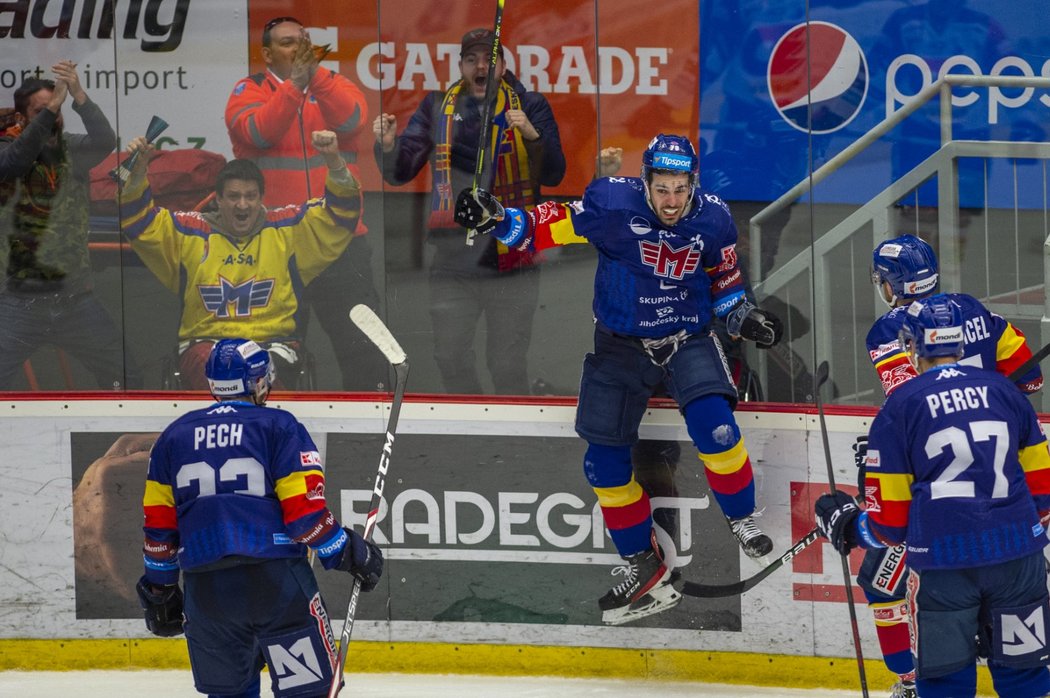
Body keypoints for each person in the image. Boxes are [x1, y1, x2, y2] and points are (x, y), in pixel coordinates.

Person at [454, 133, 784, 625]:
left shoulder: (713, 219)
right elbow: (543, 229)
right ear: (645, 182)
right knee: (603, 467)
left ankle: (741, 518)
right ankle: (643, 563)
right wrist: (497, 218)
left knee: (717, 429)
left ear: (693, 184)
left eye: (680, 189)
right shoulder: (610, 205)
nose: (671, 202)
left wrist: (744, 319)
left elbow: (726, 288)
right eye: (662, 189)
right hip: (619, 346)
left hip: (687, 340)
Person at [815, 294, 1050, 698]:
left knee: (945, 683)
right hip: (1019, 561)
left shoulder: (900, 407)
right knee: (1026, 680)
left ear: (912, 346)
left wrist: (852, 527)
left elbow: (890, 527)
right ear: (960, 344)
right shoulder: (1006, 393)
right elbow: (1043, 498)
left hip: (945, 567)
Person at [136, 338, 383, 697]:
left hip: (207, 594)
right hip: (276, 585)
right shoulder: (278, 426)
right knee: (308, 693)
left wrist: (160, 587)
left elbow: (159, 530)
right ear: (256, 381)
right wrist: (350, 554)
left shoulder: (173, 437)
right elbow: (305, 517)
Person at [372, 27, 566, 395]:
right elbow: (399, 172)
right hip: (453, 258)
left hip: (512, 256)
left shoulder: (530, 105)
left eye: (490, 59)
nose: (481, 66)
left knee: (506, 363)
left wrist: (531, 136)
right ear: (460, 66)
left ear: (504, 67)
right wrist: (386, 145)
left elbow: (555, 174)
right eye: (472, 59)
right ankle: (474, 428)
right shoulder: (437, 106)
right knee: (449, 356)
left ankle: (512, 439)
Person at [118, 130, 362, 390]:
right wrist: (138, 170)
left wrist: (335, 162)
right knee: (226, 370)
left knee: (258, 369)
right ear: (219, 200)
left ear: (261, 199)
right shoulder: (187, 232)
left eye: (250, 196)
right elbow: (138, 221)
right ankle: (254, 426)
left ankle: (244, 427)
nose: (242, 205)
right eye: (234, 196)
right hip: (204, 345)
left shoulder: (288, 230)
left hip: (274, 345)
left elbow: (341, 214)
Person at [225, 16, 383, 392]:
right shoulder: (248, 90)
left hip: (339, 242)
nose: (297, 49)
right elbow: (259, 132)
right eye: (286, 43)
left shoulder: (332, 85)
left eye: (302, 41)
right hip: (280, 245)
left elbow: (355, 120)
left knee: (362, 346)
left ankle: (373, 435)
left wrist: (317, 78)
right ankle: (278, 433)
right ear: (266, 53)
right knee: (279, 351)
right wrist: (296, 85)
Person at [0, 64, 142, 390]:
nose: (54, 117)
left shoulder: (72, 150)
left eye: (57, 110)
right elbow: (15, 163)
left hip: (74, 301)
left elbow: (105, 140)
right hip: (18, 303)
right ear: (21, 118)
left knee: (128, 378)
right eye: (42, 110)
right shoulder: (7, 150)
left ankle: (124, 441)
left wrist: (78, 95)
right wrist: (52, 109)